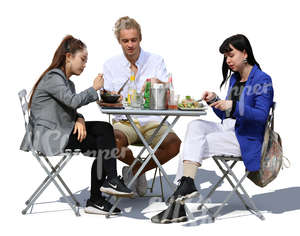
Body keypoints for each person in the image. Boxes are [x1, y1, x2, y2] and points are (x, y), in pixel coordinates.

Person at [152, 34, 274, 223]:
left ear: (245, 53)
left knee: (195, 143)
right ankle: (187, 184)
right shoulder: (234, 79)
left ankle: (179, 203)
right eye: (225, 57)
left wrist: (232, 106)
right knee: (195, 126)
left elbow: (261, 116)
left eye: (231, 55)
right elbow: (227, 116)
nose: (228, 60)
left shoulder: (263, 80)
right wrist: (215, 102)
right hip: (228, 129)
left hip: (245, 138)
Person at [20, 35, 134, 215]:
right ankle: (104, 187)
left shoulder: (66, 82)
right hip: (50, 137)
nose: (84, 64)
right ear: (68, 57)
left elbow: (69, 107)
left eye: (86, 61)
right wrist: (94, 89)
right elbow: (72, 102)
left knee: (105, 136)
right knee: (104, 140)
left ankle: (100, 194)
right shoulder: (53, 77)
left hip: (61, 130)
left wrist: (79, 119)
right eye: (82, 59)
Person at [103, 16, 181, 196]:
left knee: (174, 145)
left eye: (133, 40)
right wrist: (114, 97)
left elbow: (168, 90)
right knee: (112, 143)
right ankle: (137, 169)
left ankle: (136, 170)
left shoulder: (155, 60)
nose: (130, 45)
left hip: (152, 121)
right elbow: (107, 98)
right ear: (119, 41)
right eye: (125, 41)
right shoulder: (110, 65)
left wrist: (159, 83)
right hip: (125, 122)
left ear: (140, 38)